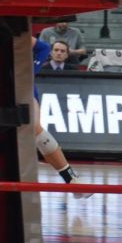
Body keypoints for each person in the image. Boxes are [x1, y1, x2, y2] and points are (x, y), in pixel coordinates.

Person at [31, 38, 92, 197]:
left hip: (19, 84)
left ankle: (71, 179)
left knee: (36, 128)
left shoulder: (12, 30)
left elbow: (43, 47)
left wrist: (29, 71)